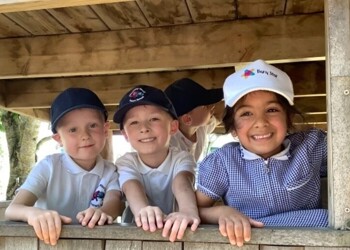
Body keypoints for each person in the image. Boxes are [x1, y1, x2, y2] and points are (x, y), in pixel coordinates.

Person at [195, 59, 328, 246]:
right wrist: (221, 213)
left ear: (288, 119)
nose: (261, 122)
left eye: (272, 110)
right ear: (233, 128)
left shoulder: (313, 146)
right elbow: (193, 210)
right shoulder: (223, 162)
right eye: (246, 113)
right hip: (248, 244)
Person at [5, 88, 124, 246]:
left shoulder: (111, 171)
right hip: (49, 243)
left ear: (105, 128)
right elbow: (12, 209)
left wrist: (102, 212)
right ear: (58, 138)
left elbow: (115, 203)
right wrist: (33, 213)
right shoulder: (48, 166)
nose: (85, 135)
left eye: (93, 125)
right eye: (73, 130)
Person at [113, 85, 200, 242]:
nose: (144, 128)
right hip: (135, 238)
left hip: (179, 234)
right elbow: (131, 186)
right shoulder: (126, 162)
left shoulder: (182, 158)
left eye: (154, 119)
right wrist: (143, 211)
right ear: (125, 134)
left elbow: (182, 182)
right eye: (134, 122)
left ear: (173, 126)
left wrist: (188, 211)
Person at [164, 78, 223, 161]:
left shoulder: (201, 128)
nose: (212, 107)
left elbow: (219, 117)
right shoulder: (170, 144)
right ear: (187, 119)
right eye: (205, 106)